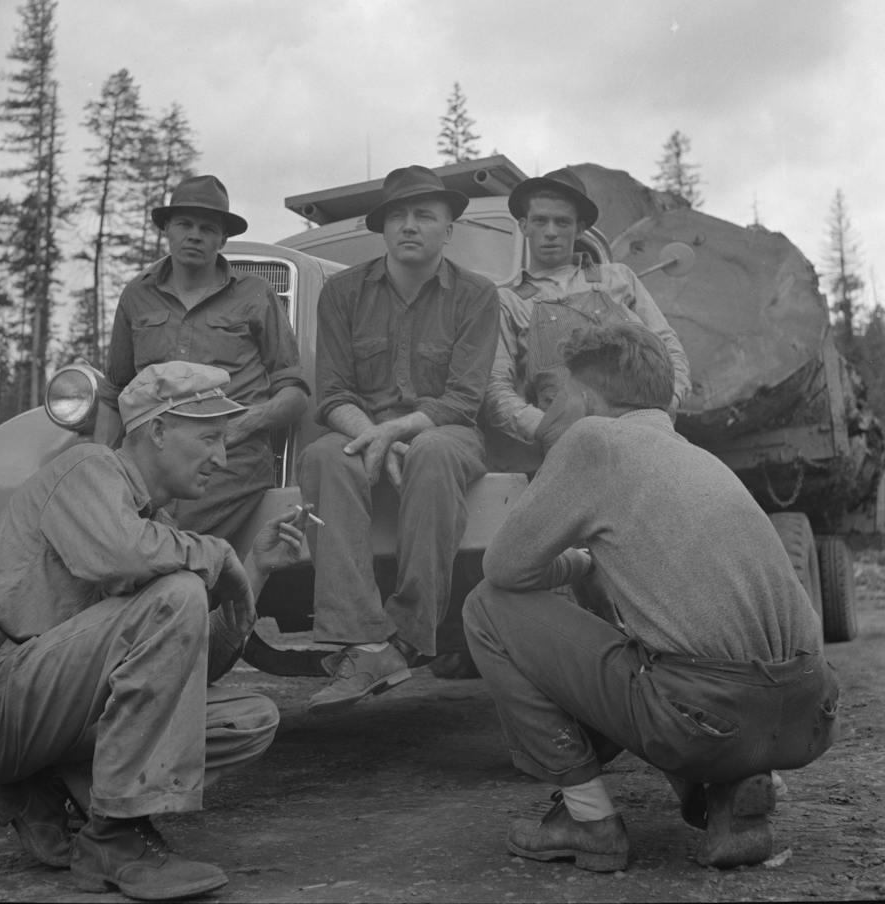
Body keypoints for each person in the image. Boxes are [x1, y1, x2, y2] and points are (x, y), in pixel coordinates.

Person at [0, 362, 307, 901]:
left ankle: (41, 786)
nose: (222, 458)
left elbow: (190, 668)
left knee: (249, 718)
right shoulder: (87, 468)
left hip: (48, 704)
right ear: (158, 430)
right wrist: (216, 554)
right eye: (210, 439)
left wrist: (256, 569)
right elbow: (126, 556)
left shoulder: (155, 527)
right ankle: (115, 838)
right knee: (178, 592)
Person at [464, 324, 838, 872]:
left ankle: (588, 820)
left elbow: (503, 568)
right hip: (809, 712)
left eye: (556, 396)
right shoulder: (698, 458)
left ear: (587, 398)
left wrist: (577, 562)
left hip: (705, 714)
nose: (549, 414)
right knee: (671, 654)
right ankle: (728, 794)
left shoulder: (593, 440)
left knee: (486, 606)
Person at [298, 164, 500, 713]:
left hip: (445, 431)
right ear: (383, 228)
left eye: (424, 216)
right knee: (324, 457)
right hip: (362, 431)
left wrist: (394, 432)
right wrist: (374, 436)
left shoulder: (477, 295)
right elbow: (332, 395)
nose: (409, 226)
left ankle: (408, 637)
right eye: (398, 216)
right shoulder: (342, 293)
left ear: (448, 229)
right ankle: (363, 642)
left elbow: (463, 399)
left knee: (432, 453)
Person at [94, 174, 309, 549]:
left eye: (208, 229)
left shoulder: (256, 295)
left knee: (162, 538)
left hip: (226, 457)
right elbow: (115, 395)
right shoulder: (136, 296)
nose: (194, 236)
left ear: (223, 239)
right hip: (152, 457)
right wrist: (101, 470)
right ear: (167, 229)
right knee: (92, 523)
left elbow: (295, 395)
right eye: (184, 224)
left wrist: (240, 426)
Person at [483, 166, 692, 459]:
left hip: (645, 436)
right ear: (523, 225)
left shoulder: (618, 278)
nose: (551, 232)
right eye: (540, 221)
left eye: (562, 222)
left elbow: (669, 348)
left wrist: (667, 405)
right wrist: (548, 429)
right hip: (565, 450)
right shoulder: (507, 301)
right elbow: (495, 389)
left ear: (580, 229)